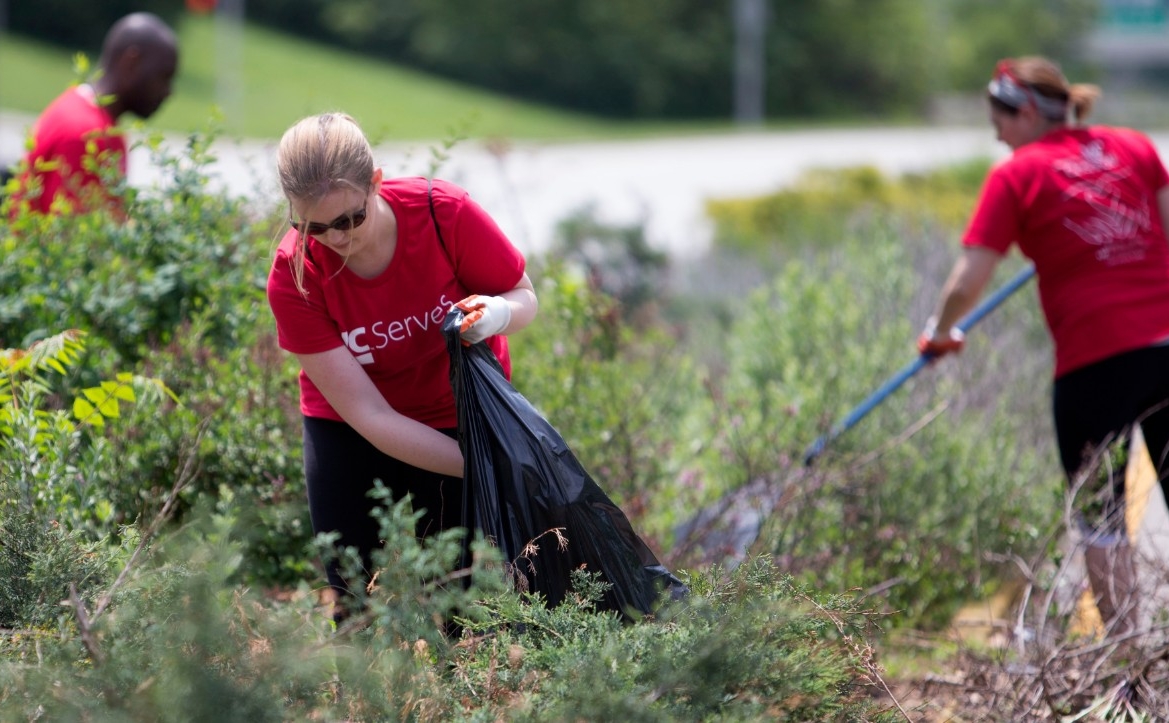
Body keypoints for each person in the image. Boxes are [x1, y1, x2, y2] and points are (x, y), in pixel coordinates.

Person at [918, 56, 1169, 638]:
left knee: (1102, 521)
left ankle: (1130, 663)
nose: (996, 132)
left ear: (1028, 111)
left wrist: (940, 332)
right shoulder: (1132, 146)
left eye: (1001, 117)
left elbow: (965, 284)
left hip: (1097, 363)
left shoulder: (1016, 175)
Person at [266, 112, 538, 622]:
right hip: (348, 423)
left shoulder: (443, 214)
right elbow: (369, 416)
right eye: (313, 226)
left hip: (454, 409)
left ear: (376, 182)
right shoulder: (294, 275)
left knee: (457, 600)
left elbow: (523, 296)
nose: (336, 239)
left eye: (349, 219)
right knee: (353, 600)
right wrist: (483, 466)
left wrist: (497, 314)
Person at [11, 12, 178, 215]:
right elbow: (72, 239)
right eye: (163, 76)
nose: (168, 92)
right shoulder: (85, 134)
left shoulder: (96, 123)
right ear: (131, 63)